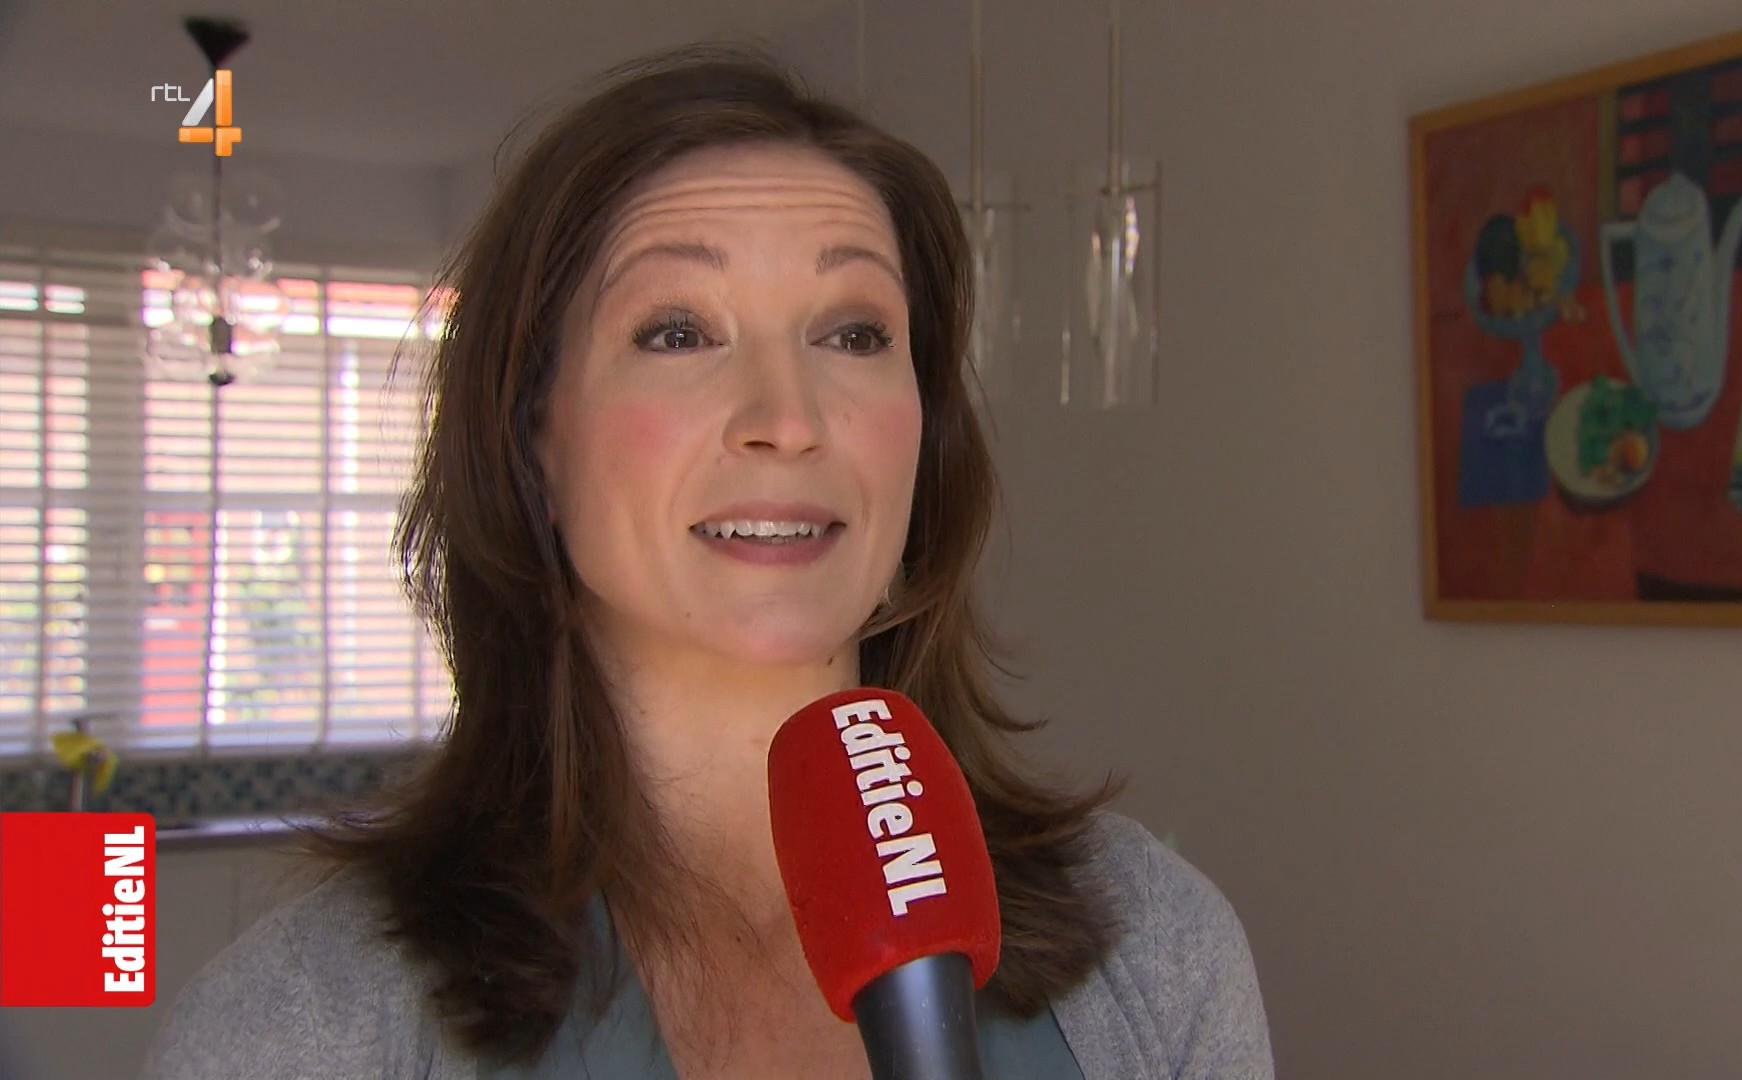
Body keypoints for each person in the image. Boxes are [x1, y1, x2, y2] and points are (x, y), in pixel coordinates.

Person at [139, 46, 1273, 1080]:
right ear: (534, 443)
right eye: (678, 332)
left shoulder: (1155, 950)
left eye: (854, 334)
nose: (788, 418)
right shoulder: (301, 1028)